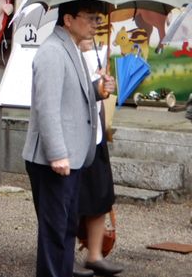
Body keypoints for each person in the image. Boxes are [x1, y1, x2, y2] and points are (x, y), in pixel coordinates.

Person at [22, 0, 116, 277]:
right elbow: (47, 106)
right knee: (55, 231)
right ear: (68, 19)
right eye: (90, 18)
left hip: (73, 154)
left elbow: (73, 96)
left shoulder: (70, 48)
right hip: (54, 157)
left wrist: (99, 90)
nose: (95, 24)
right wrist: (57, 153)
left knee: (66, 227)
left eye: (97, 19)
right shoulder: (52, 51)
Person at [77, 39, 123, 276]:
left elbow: (99, 93)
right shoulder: (62, 53)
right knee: (69, 201)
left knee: (100, 195)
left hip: (95, 134)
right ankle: (63, 256)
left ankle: (95, 254)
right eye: (88, 19)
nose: (92, 28)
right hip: (74, 138)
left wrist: (107, 84)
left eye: (96, 20)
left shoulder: (97, 54)